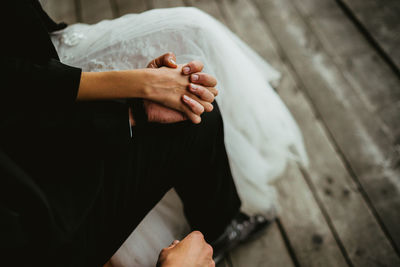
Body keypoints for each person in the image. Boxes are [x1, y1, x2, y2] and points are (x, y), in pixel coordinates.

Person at [1, 1, 307, 266]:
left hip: (27, 161)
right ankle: (221, 228)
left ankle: (221, 228)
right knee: (192, 117)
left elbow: (18, 112)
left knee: (191, 114)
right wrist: (142, 84)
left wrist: (132, 113)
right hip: (43, 239)